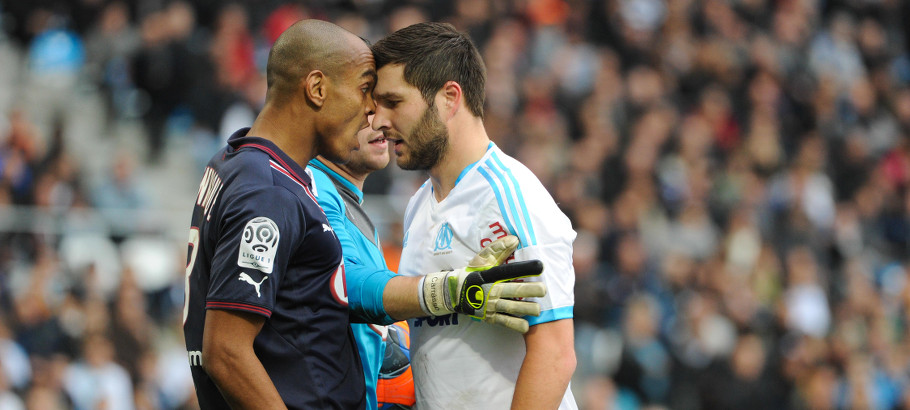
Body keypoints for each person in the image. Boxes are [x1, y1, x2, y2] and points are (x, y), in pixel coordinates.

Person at [183, 19, 545, 409]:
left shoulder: (242, 164)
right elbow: (229, 350)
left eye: (390, 102)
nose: (375, 114)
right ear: (318, 88)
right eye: (366, 92)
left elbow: (316, 298)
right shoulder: (275, 190)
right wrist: (448, 291)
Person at [371, 22, 579, 409]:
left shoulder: (511, 198)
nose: (379, 120)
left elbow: (554, 355)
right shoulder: (420, 203)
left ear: (450, 97)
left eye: (394, 102)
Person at [307, 115, 544, 408]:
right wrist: (447, 291)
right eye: (364, 101)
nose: (380, 120)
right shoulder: (311, 183)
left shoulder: (350, 201)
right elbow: (342, 283)